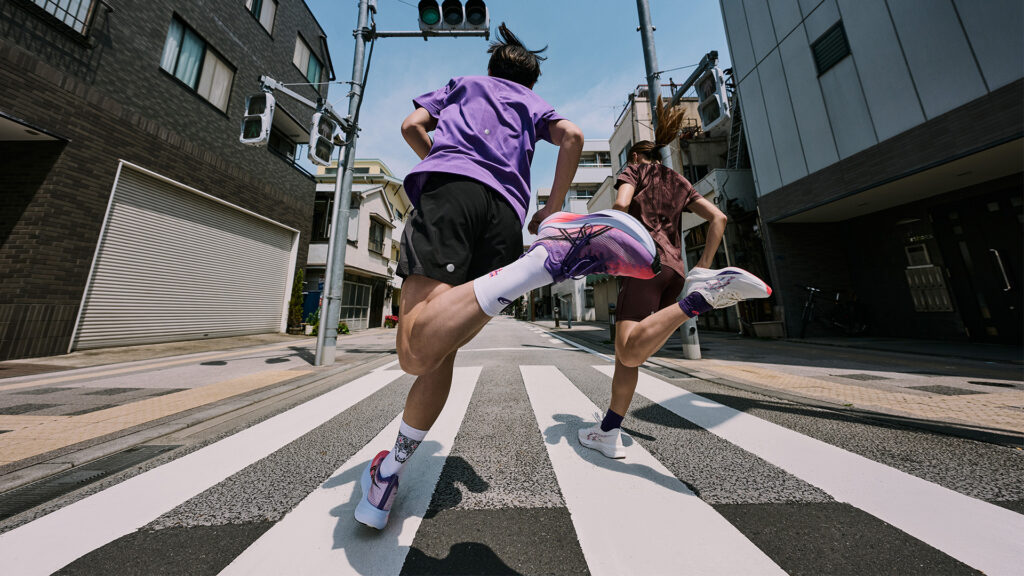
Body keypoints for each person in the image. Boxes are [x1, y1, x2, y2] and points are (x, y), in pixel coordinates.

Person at [355, 24, 660, 529]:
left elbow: (411, 126)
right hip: (504, 217)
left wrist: (444, 159)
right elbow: (573, 137)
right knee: (439, 352)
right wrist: (553, 207)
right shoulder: (532, 103)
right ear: (531, 81)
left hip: (450, 195)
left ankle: (534, 266)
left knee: (413, 352)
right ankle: (389, 473)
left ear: (493, 68)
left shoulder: (463, 84)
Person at [577, 97, 772, 459]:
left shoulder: (634, 171)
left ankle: (695, 302)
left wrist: (610, 241)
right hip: (676, 273)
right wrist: (701, 270)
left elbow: (620, 205)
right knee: (629, 357)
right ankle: (608, 431)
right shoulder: (678, 180)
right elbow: (719, 218)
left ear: (636, 157)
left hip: (644, 266)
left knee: (626, 351)